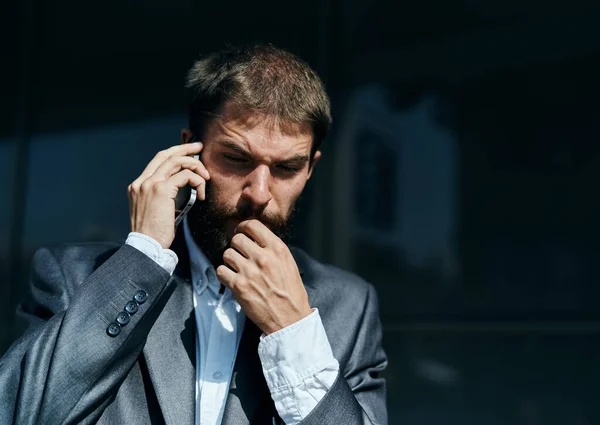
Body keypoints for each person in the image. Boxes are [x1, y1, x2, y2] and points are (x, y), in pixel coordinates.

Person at [0, 44, 387, 425]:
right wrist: (144, 258)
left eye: (286, 168)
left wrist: (293, 332)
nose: (260, 193)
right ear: (189, 150)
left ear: (310, 169)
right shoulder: (74, 276)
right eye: (236, 159)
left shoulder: (349, 307)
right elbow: (21, 414)